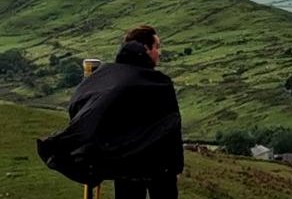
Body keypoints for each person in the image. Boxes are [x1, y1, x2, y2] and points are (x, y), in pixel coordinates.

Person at [37, 25, 183, 199]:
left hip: (125, 165)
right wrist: (175, 166)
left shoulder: (107, 77)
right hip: (159, 168)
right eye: (156, 47)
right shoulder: (159, 83)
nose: (159, 53)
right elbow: (171, 127)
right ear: (145, 49)